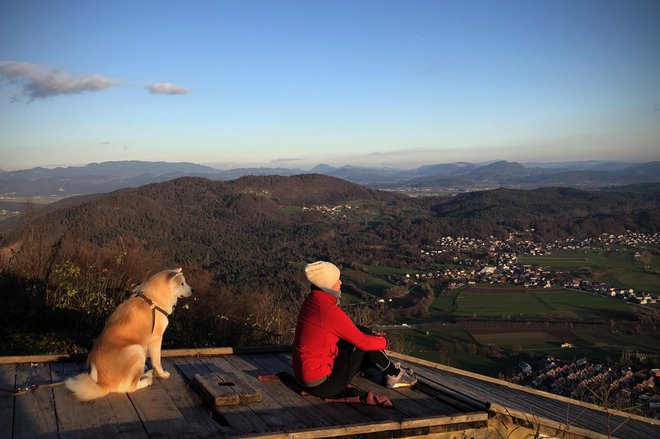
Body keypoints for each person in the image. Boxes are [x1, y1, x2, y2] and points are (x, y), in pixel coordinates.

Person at [292, 261, 417, 398]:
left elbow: (352, 333)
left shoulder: (313, 302)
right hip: (322, 385)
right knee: (362, 340)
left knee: (361, 331)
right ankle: (393, 374)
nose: (340, 283)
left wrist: (372, 338)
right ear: (327, 285)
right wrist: (384, 341)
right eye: (337, 280)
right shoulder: (327, 310)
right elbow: (362, 342)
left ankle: (388, 371)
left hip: (306, 376)